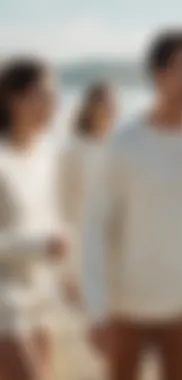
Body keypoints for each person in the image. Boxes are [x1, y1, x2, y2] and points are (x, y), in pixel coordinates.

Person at [82, 29, 182, 380]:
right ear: (159, 75)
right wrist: (96, 310)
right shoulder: (124, 144)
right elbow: (94, 226)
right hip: (127, 307)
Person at [0, 58, 68, 380]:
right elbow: (40, 239)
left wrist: (68, 275)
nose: (53, 106)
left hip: (41, 292)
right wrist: (40, 245)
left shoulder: (46, 153)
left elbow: (49, 218)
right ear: (14, 99)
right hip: (5, 299)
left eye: (54, 98)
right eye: (43, 97)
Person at [58, 82, 117, 307]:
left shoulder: (116, 145)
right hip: (83, 242)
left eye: (114, 103)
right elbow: (63, 206)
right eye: (106, 103)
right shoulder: (74, 148)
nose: (112, 108)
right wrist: (66, 272)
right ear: (90, 107)